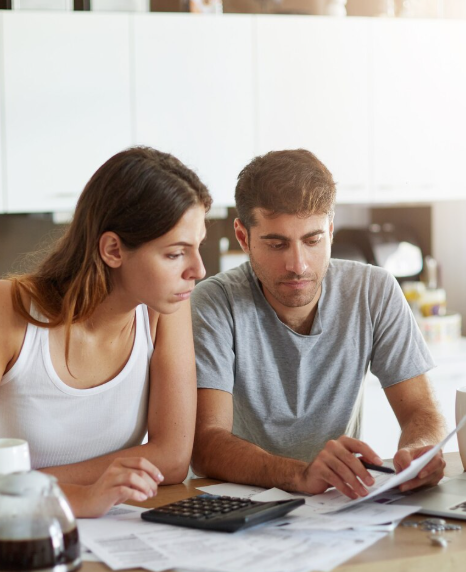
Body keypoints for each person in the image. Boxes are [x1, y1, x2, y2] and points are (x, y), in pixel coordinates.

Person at [0, 147, 211, 517]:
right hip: (16, 533)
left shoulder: (164, 307)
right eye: (175, 254)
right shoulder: (6, 307)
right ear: (113, 249)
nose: (198, 270)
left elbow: (171, 459)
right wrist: (71, 497)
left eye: (198, 247)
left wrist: (21, 485)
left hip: (114, 530)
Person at [191, 149, 446, 500]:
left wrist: (421, 451)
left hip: (336, 503)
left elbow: (422, 412)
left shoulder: (373, 290)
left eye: (312, 241)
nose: (298, 265)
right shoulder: (214, 303)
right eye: (277, 244)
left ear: (330, 230)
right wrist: (299, 474)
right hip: (240, 502)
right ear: (243, 237)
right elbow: (205, 444)